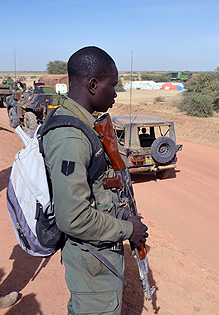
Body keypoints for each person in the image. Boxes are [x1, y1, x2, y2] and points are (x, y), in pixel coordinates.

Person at [42, 46, 148, 314]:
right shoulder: (71, 137)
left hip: (95, 254)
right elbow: (73, 218)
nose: (115, 94)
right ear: (92, 84)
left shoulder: (81, 122)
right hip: (92, 261)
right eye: (112, 86)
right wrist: (128, 229)